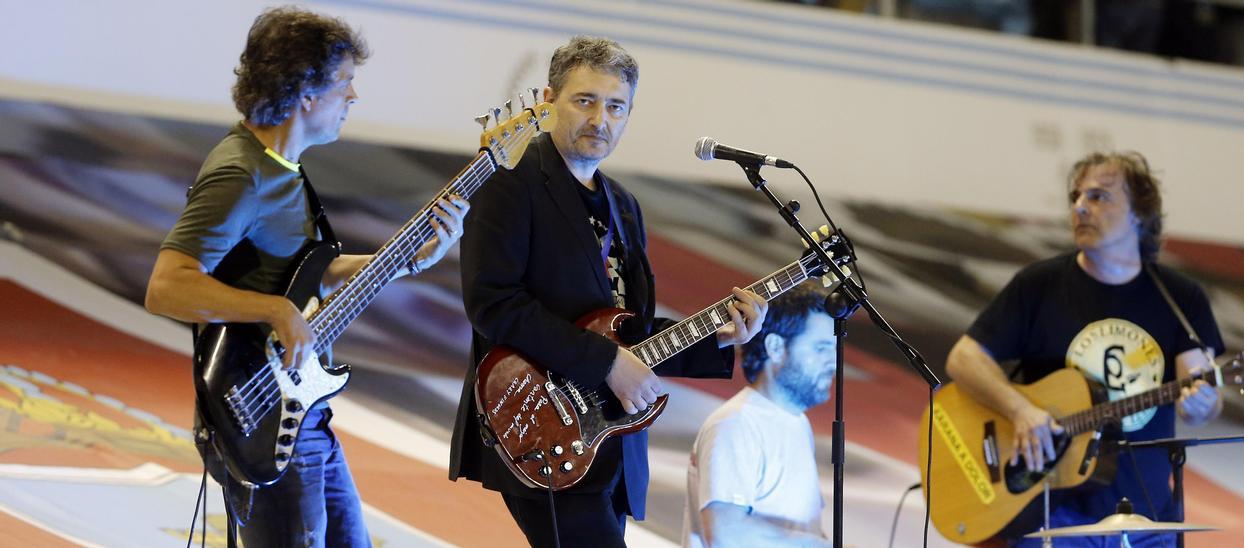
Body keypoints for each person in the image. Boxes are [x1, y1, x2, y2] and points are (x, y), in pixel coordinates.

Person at [144, 7, 467, 546]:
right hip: (260, 413)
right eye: (345, 84)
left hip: (298, 412)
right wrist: (275, 311)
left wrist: (413, 257)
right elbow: (167, 285)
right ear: (306, 94)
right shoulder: (241, 174)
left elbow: (303, 273)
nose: (354, 98)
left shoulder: (281, 167)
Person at [448, 35, 768, 547]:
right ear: (548, 100)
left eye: (616, 106)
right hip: (539, 421)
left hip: (606, 434)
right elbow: (493, 304)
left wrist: (721, 337)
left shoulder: (624, 204)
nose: (601, 119)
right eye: (585, 100)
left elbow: (630, 335)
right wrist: (605, 364)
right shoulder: (510, 181)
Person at [944, 151, 1224, 547]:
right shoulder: (1039, 285)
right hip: (1053, 513)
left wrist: (1202, 404)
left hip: (1147, 519)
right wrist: (1020, 410)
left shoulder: (1181, 297)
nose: (1080, 207)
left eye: (1099, 197)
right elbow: (964, 359)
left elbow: (1201, 397)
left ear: (1139, 215)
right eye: (1076, 197)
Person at [683, 280, 833, 548]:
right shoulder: (737, 424)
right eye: (821, 349)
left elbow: (801, 531)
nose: (833, 362)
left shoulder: (797, 423)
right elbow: (724, 534)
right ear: (775, 348)